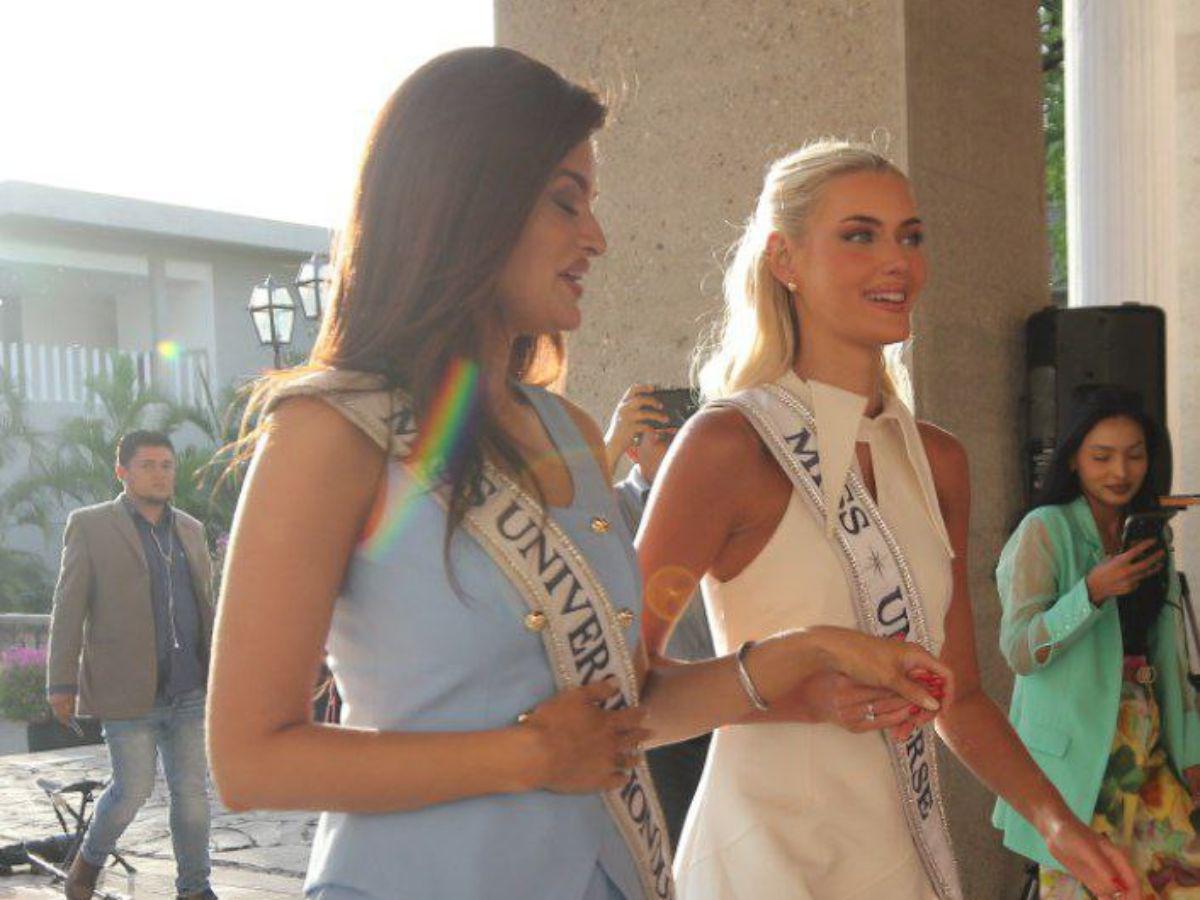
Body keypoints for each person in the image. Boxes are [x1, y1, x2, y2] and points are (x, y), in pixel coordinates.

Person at [205, 49, 951, 900]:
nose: (595, 237)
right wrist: (526, 756)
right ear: (467, 203)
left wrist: (804, 656)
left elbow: (624, 712)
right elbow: (250, 760)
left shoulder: (568, 432)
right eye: (566, 201)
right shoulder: (332, 432)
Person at [636, 139, 1143, 900]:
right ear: (784, 259)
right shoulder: (728, 446)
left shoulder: (938, 460)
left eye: (911, 236)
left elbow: (958, 697)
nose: (896, 261)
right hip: (762, 859)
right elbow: (623, 695)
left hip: (897, 857)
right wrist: (798, 695)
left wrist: (1057, 822)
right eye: (859, 235)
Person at [993, 388, 1200, 898]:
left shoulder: (1147, 530)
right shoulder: (1046, 529)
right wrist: (1090, 593)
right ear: (1074, 460)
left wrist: (1192, 750)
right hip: (1077, 755)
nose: (1120, 471)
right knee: (1095, 887)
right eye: (1102, 457)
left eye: (1134, 455)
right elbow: (1020, 650)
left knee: (1183, 879)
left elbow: (1168, 653)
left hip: (1148, 742)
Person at [45, 430, 217, 900]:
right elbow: (68, 608)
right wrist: (61, 683)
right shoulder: (91, 525)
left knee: (192, 795)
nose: (159, 474)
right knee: (132, 790)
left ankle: (195, 888)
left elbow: (205, 607)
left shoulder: (191, 530)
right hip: (126, 692)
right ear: (122, 471)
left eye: (167, 465)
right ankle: (86, 864)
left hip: (188, 688)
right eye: (147, 465)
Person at [608, 385, 715, 847]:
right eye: (666, 438)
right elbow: (558, 515)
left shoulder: (719, 502)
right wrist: (612, 442)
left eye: (687, 436)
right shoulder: (611, 505)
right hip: (660, 713)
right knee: (675, 847)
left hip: (728, 698)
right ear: (634, 450)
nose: (680, 451)